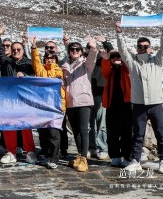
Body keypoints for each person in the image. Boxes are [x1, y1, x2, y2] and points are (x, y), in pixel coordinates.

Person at [116, 19, 163, 174]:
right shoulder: (132, 63)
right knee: (138, 134)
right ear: (137, 48)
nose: (143, 48)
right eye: (140, 46)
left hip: (156, 104)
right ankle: (135, 160)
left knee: (161, 134)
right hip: (139, 104)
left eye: (146, 46)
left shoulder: (157, 61)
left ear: (150, 49)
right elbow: (122, 50)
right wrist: (119, 33)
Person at [0, 23, 37, 165]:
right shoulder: (7, 62)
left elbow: (34, 75)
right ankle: (11, 152)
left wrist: (24, 74)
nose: (16, 51)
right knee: (9, 126)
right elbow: (0, 53)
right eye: (13, 49)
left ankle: (30, 152)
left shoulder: (28, 62)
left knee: (26, 126)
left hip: (24, 99)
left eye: (18, 49)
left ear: (22, 50)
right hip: (9, 99)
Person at [61, 36, 97, 172]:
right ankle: (79, 155)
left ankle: (84, 159)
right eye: (72, 49)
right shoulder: (65, 64)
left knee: (83, 130)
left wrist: (93, 47)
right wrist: (66, 44)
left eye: (77, 49)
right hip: (70, 102)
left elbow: (92, 57)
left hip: (83, 101)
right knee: (75, 131)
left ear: (82, 51)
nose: (75, 51)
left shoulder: (85, 64)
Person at [30, 35, 65, 169]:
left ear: (56, 59)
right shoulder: (41, 70)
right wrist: (34, 47)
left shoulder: (61, 71)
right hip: (43, 106)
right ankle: (46, 154)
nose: (49, 59)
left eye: (52, 57)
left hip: (56, 106)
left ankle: (54, 158)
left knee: (54, 133)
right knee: (43, 132)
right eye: (47, 58)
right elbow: (36, 61)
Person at [100, 49, 132, 168]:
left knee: (127, 132)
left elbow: (128, 65)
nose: (115, 58)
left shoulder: (127, 69)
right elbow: (105, 70)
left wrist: (123, 57)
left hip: (127, 104)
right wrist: (106, 58)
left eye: (118, 56)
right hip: (112, 105)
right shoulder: (110, 71)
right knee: (112, 132)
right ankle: (115, 156)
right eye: (113, 57)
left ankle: (128, 156)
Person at [87, 36, 113, 160]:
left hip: (100, 94)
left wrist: (104, 42)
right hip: (86, 95)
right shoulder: (85, 62)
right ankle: (91, 147)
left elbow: (111, 51)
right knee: (88, 124)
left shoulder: (102, 59)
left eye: (93, 48)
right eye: (89, 48)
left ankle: (103, 148)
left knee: (101, 123)